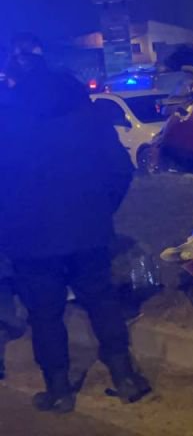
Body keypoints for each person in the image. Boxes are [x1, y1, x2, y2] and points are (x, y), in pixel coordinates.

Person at [0, 48, 150, 413]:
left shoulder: (9, 123)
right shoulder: (90, 118)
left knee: (44, 314)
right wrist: (100, 210)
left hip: (31, 240)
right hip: (88, 231)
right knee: (101, 300)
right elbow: (120, 171)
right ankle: (125, 377)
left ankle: (58, 389)